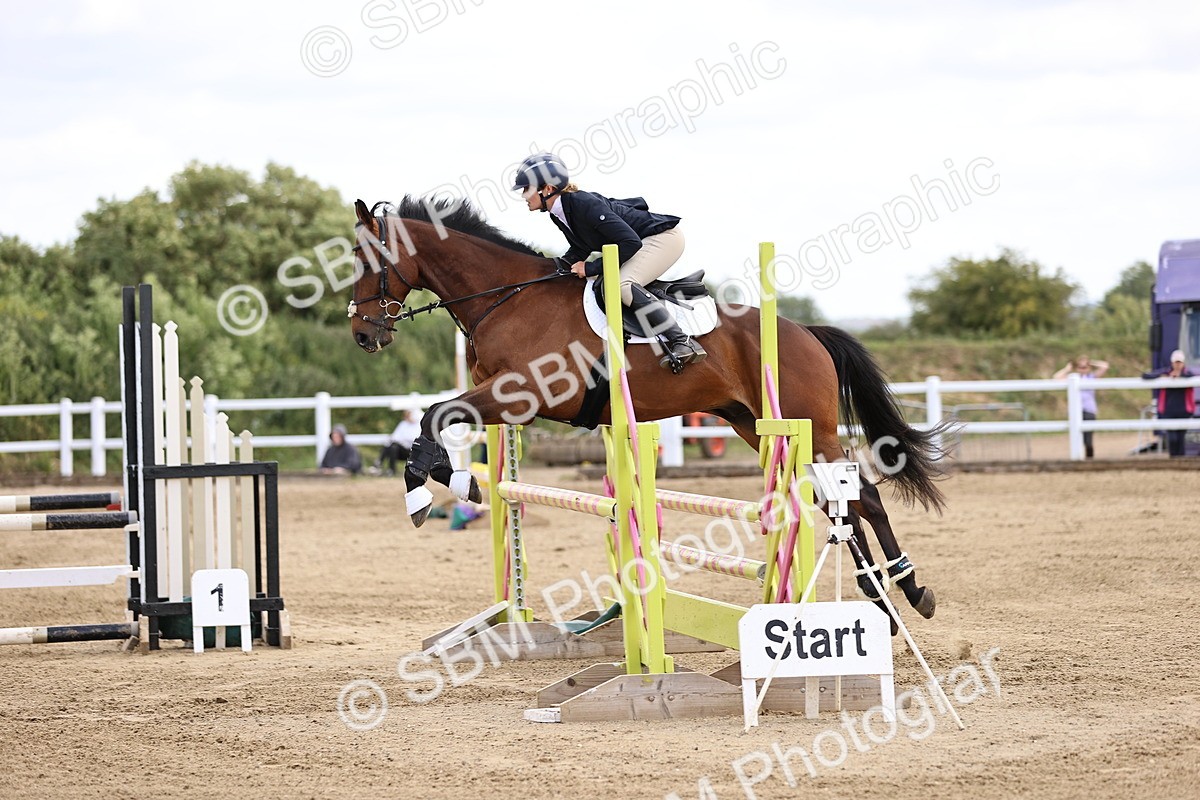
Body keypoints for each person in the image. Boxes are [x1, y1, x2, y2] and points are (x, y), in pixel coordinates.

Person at [512, 152, 706, 371]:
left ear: (547, 189)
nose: (523, 195)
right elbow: (581, 247)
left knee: (622, 285)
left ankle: (682, 340)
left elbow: (630, 242)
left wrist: (591, 267)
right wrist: (551, 269)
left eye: (526, 189)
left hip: (663, 239)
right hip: (639, 242)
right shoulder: (559, 211)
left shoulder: (582, 204)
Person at [1143, 349, 1196, 457]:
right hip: (1169, 410)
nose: (1177, 365)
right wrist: (1164, 377)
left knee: (1180, 438)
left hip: (1183, 411)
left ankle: (1180, 459)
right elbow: (1146, 375)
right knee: (1172, 438)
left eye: (1179, 362)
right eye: (1176, 362)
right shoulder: (1166, 372)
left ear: (1183, 363)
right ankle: (1173, 459)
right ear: (1172, 363)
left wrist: (1180, 376)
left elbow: (1193, 376)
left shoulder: (1187, 373)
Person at [1053, 355, 1108, 458]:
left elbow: (1104, 366)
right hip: (1075, 410)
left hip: (1089, 410)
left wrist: (1091, 362)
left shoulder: (1092, 377)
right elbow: (1056, 377)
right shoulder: (1072, 378)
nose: (1083, 369)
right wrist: (1067, 369)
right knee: (1076, 437)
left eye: (1085, 367)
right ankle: (1078, 457)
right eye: (1080, 367)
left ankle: (1089, 458)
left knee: (1088, 439)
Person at [375, 410, 421, 476]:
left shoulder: (419, 426)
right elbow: (395, 436)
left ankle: (380, 464)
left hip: (410, 451)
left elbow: (414, 440)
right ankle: (386, 468)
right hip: (398, 449)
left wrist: (400, 440)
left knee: (393, 446)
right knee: (391, 446)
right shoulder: (403, 424)